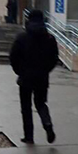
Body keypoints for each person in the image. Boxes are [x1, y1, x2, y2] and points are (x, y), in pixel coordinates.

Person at [9, 9, 59, 144]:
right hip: (42, 77)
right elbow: (54, 58)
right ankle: (47, 123)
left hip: (25, 78)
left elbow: (13, 57)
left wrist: (19, 71)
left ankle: (29, 136)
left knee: (26, 107)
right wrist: (46, 70)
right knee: (41, 103)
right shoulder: (50, 39)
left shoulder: (21, 38)